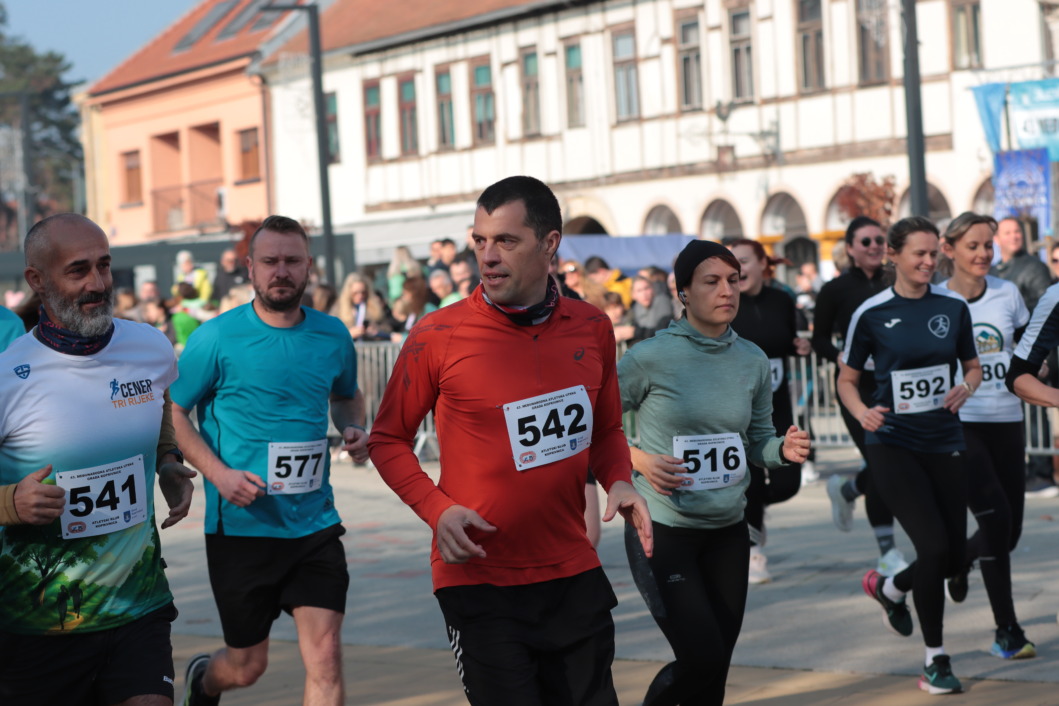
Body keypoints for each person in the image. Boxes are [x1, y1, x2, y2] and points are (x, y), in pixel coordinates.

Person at [368, 175, 652, 706]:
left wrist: (619, 479)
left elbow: (606, 428)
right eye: (479, 240)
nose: (488, 256)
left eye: (506, 240)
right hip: (479, 577)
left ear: (549, 244)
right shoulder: (437, 334)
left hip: (571, 570)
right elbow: (387, 439)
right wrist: (436, 510)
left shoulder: (591, 326)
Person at [172, 215, 369, 706]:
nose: (281, 271)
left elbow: (346, 395)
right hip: (242, 528)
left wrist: (354, 427)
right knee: (247, 667)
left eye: (292, 261)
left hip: (314, 524)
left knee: (326, 656)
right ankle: (205, 680)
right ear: (251, 268)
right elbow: (171, 411)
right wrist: (219, 475)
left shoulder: (332, 334)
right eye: (270, 261)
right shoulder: (216, 337)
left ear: (309, 267)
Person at [0, 213, 195, 705]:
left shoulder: (149, 346)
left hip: (138, 606)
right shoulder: (8, 377)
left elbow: (159, 401)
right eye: (78, 270)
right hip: (38, 626)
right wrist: (10, 504)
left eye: (104, 265)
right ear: (37, 279)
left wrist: (167, 458)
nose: (98, 283)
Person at [619, 240, 810, 706]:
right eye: (712, 281)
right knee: (701, 658)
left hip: (727, 532)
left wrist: (782, 450)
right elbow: (593, 428)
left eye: (733, 280)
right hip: (663, 529)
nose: (727, 290)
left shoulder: (752, 359)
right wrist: (639, 460)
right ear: (682, 291)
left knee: (716, 667)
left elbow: (757, 442)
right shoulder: (648, 358)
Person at [838, 216, 981, 695]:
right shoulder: (872, 312)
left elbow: (973, 366)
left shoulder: (953, 306)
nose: (928, 261)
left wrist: (967, 387)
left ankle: (891, 587)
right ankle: (935, 660)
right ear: (893, 255)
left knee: (954, 555)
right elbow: (847, 379)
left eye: (933, 253)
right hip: (893, 443)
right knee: (934, 548)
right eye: (918, 253)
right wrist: (862, 412)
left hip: (945, 439)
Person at [938, 212, 1035, 660]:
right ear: (949, 249)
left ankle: (957, 562)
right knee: (995, 522)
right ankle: (1007, 630)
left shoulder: (1007, 292)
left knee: (1009, 532)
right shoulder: (937, 300)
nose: (982, 254)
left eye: (988, 246)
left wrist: (1038, 367)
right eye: (972, 245)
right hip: (962, 423)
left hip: (1008, 419)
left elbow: (1027, 347)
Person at [814, 217, 907, 576]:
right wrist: (840, 357)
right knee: (880, 463)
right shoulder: (835, 289)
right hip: (856, 388)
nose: (874, 246)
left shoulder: (895, 280)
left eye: (879, 240)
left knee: (893, 462)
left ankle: (849, 490)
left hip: (894, 384)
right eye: (865, 241)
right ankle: (887, 551)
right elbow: (819, 337)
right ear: (850, 248)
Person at [729, 238, 811, 584]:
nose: (738, 269)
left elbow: (788, 340)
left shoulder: (781, 300)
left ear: (763, 264)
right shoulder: (726, 304)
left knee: (788, 482)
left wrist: (800, 345)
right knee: (749, 483)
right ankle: (753, 551)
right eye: (732, 263)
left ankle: (751, 514)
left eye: (744, 260)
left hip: (778, 408)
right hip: (738, 411)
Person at [333, 272, 391, 341]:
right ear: (348, 292)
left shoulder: (375, 308)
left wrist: (376, 330)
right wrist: (348, 334)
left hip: (370, 345)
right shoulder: (339, 308)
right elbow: (332, 332)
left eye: (363, 292)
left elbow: (388, 328)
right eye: (355, 293)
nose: (360, 296)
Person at [622, 275, 673, 345]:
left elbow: (661, 332)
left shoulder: (662, 301)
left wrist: (635, 332)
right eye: (639, 291)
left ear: (653, 289)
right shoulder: (636, 307)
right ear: (633, 295)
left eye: (646, 288)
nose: (644, 294)